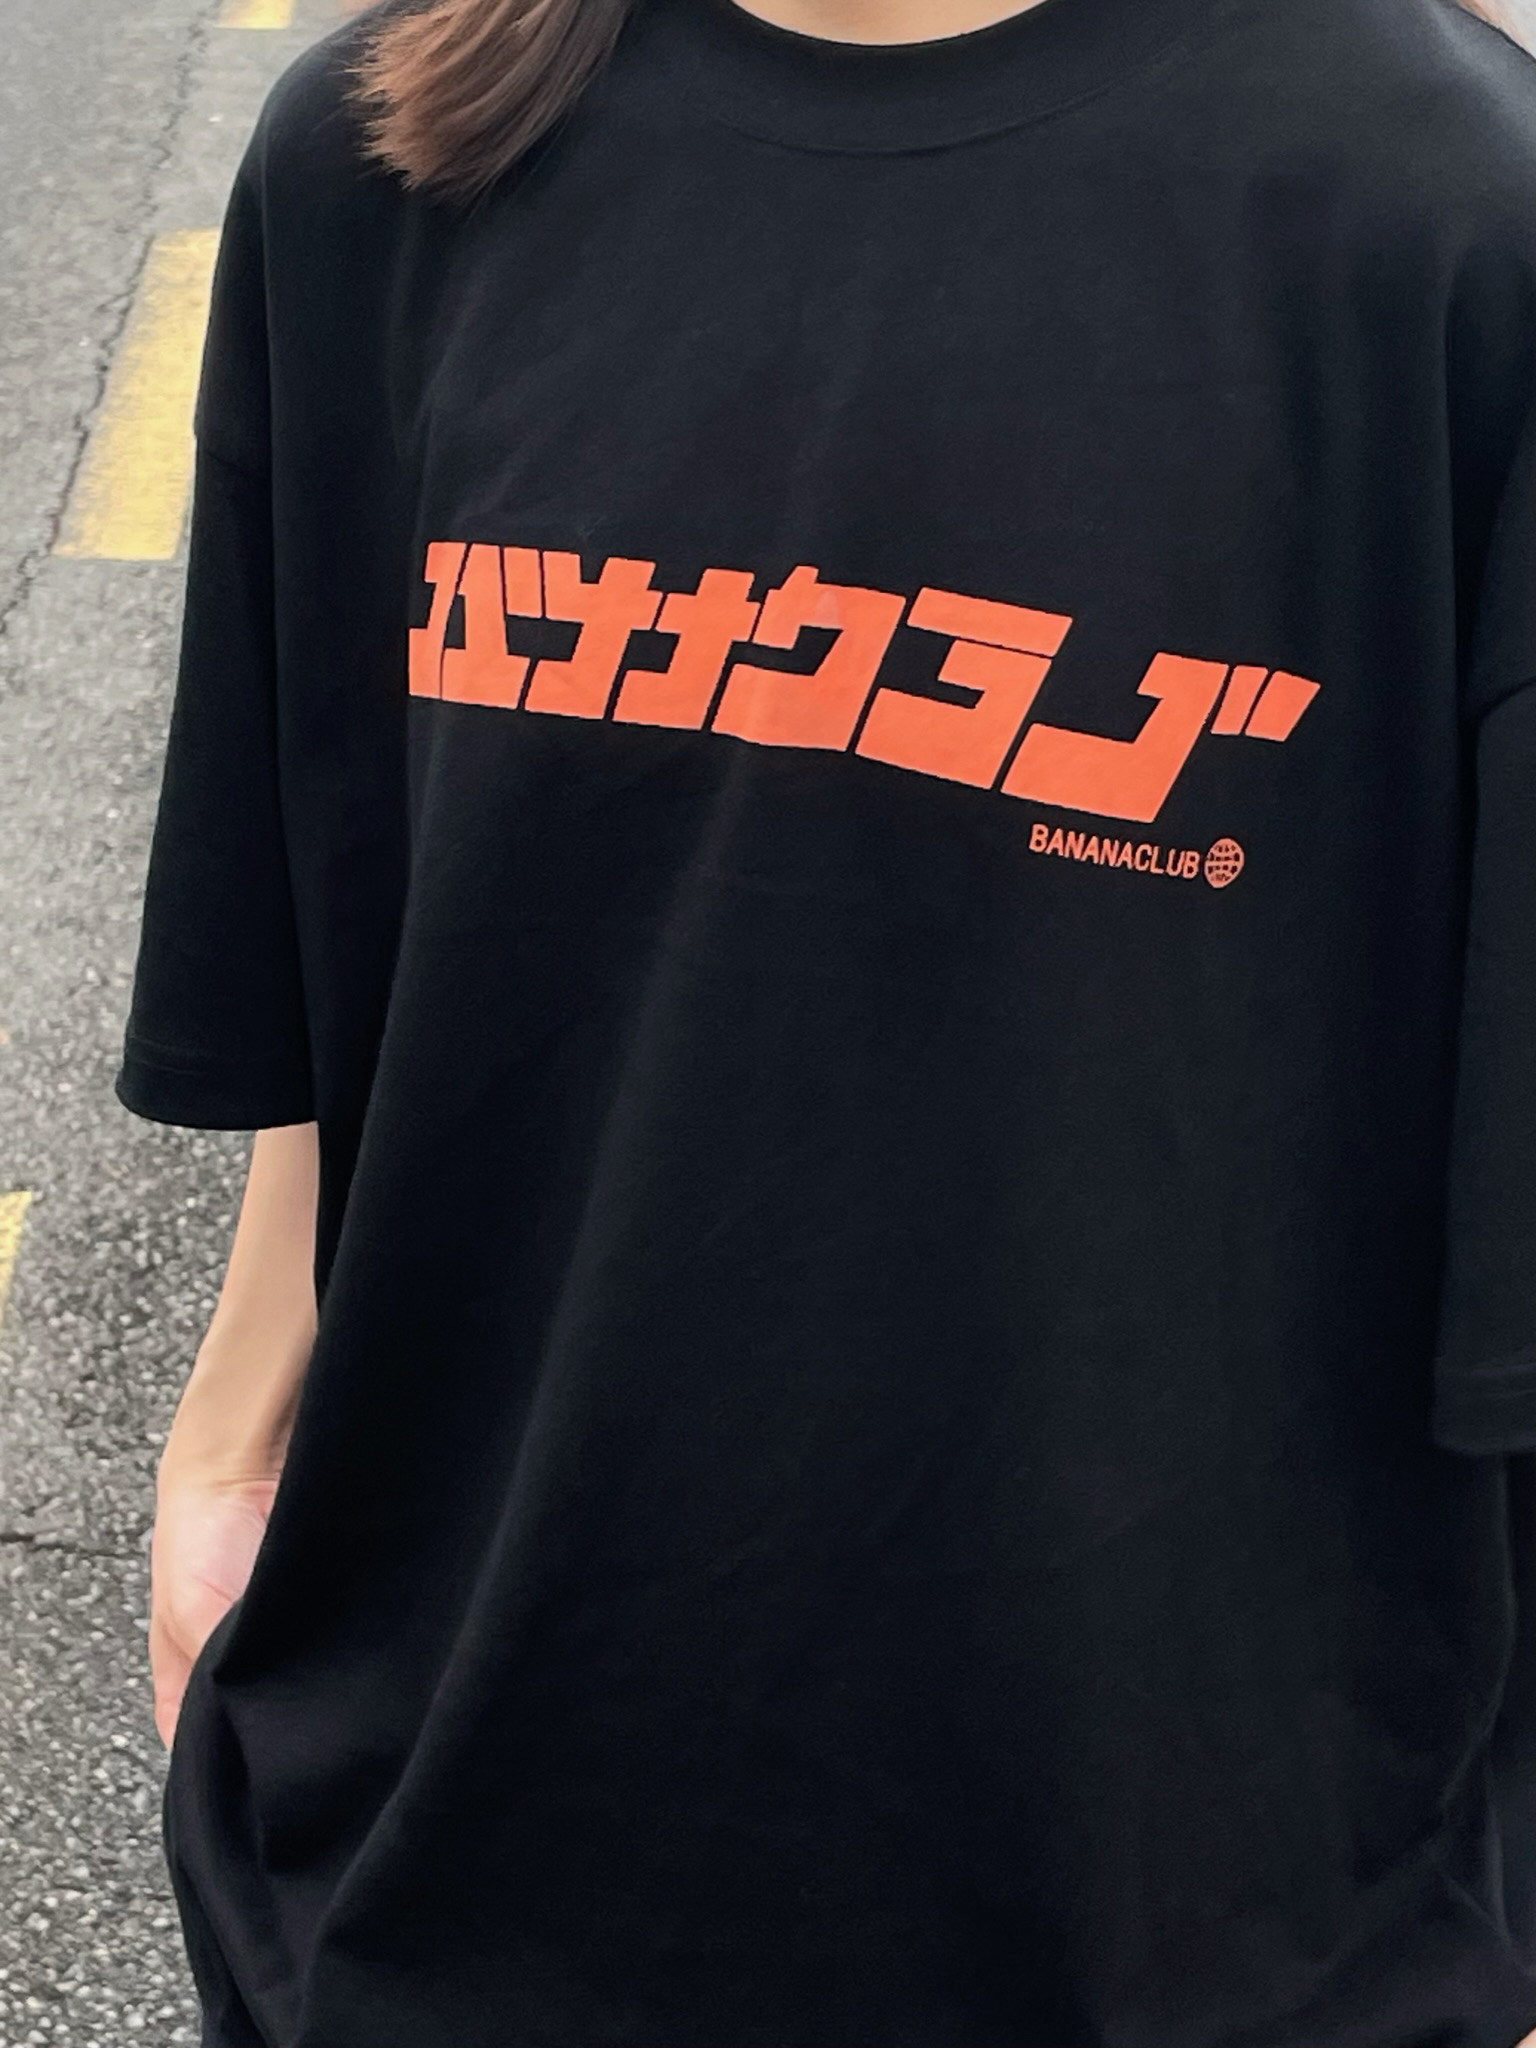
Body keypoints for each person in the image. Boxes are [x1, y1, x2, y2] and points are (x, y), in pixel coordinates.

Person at [116, 0, 1536, 2035]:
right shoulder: (386, 162)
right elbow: (356, 927)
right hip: (446, 1863)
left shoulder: (1446, 212)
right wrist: (238, 1415)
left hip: (1192, 1912)